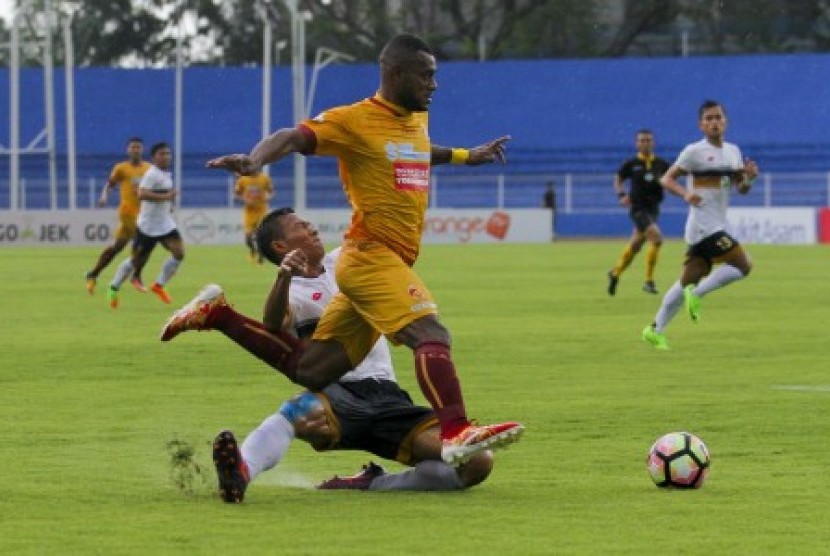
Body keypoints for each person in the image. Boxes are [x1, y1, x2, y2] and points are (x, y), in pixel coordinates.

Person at [206, 33, 523, 467]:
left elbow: (416, 151)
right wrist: (255, 160)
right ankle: (455, 429)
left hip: (380, 262)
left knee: (313, 370)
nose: (435, 85)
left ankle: (219, 315)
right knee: (431, 335)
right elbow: (292, 136)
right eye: (427, 76)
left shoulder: (414, 117)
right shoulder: (353, 120)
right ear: (396, 74)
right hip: (371, 253)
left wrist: (471, 156)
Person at [160, 208, 493, 503]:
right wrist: (283, 277)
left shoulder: (347, 261)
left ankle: (372, 484)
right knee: (296, 411)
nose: (312, 228)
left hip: (388, 397)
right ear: (281, 246)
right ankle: (240, 472)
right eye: (300, 226)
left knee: (477, 462)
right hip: (340, 396)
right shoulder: (293, 291)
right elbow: (275, 323)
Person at [642, 100, 758, 350]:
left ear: (725, 122)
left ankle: (654, 329)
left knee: (686, 280)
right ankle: (697, 295)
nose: (714, 122)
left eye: (718, 117)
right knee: (743, 264)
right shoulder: (694, 151)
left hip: (717, 224)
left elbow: (742, 189)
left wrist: (750, 178)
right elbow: (667, 179)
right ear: (701, 125)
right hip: (704, 225)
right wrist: (685, 194)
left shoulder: (733, 152)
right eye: (709, 118)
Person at [107, 142, 184, 308]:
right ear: (154, 157)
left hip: (165, 224)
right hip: (148, 226)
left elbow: (164, 196)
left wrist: (168, 205)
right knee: (135, 261)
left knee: (179, 252)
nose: (166, 157)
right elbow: (142, 194)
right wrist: (167, 197)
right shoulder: (152, 174)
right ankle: (113, 287)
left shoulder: (165, 174)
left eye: (168, 154)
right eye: (162, 154)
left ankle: (158, 285)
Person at [607, 129, 671, 296]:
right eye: (642, 140)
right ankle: (649, 281)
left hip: (653, 209)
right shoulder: (631, 164)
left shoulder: (662, 164)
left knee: (635, 245)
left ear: (653, 143)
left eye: (648, 140)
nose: (645, 143)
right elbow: (618, 179)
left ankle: (615, 273)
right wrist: (621, 195)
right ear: (637, 143)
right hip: (638, 209)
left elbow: (671, 178)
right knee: (657, 239)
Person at [85, 137, 151, 295]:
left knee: (115, 249)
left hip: (143, 213)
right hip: (127, 212)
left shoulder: (149, 168)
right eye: (133, 147)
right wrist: (104, 196)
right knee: (145, 243)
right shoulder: (122, 168)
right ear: (128, 150)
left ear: (142, 150)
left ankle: (93, 274)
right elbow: (110, 184)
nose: (135, 150)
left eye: (138, 147)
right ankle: (136, 276)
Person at [233, 170, 273, 263]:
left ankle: (261, 255)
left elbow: (271, 192)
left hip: (261, 210)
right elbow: (236, 195)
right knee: (248, 237)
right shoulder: (243, 180)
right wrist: (244, 200)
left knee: (261, 234)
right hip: (249, 211)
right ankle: (253, 250)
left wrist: (269, 197)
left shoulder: (265, 178)